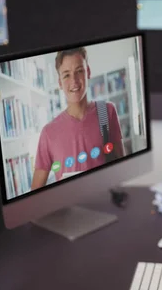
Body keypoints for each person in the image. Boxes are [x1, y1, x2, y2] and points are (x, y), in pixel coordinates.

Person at [30, 47, 124, 190]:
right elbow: (35, 193)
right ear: (60, 83)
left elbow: (122, 169)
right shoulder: (48, 133)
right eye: (66, 75)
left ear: (88, 72)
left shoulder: (107, 111)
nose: (74, 81)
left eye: (79, 71)